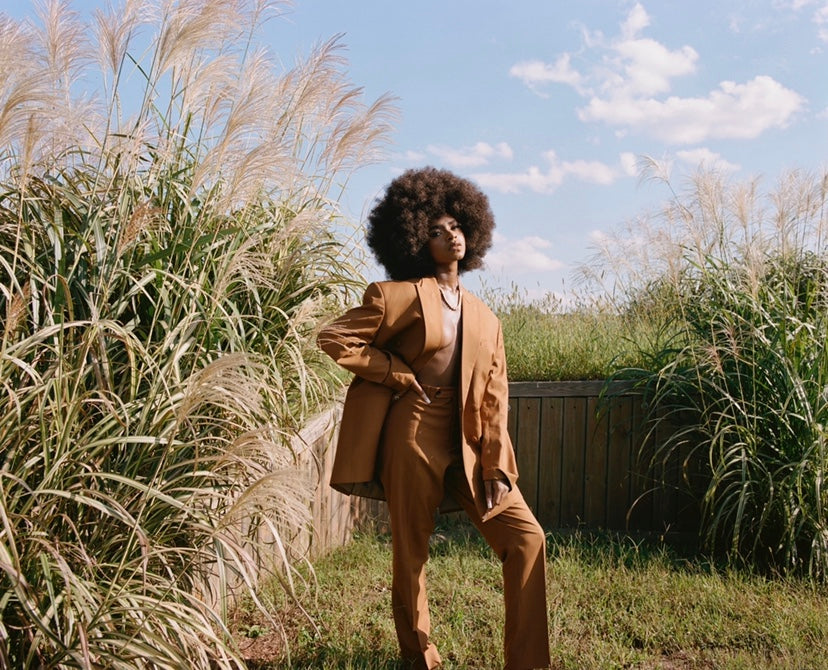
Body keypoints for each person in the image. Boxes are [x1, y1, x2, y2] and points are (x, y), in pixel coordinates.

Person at [317, 167, 550, 670]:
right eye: (438, 230)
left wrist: (494, 464)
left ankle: (528, 663)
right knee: (412, 554)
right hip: (413, 430)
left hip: (468, 435)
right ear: (416, 239)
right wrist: (395, 373)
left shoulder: (487, 317)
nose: (452, 236)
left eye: (458, 227)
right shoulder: (395, 295)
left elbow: (495, 397)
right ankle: (420, 659)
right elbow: (334, 338)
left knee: (527, 538)